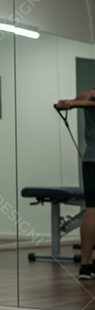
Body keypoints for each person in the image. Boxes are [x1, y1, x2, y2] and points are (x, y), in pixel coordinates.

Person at [54, 91, 95, 280]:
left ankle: (86, 266)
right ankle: (86, 265)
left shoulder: (89, 95)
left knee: (93, 210)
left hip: (91, 160)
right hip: (91, 159)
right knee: (93, 211)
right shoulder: (90, 95)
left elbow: (75, 102)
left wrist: (68, 103)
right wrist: (68, 104)